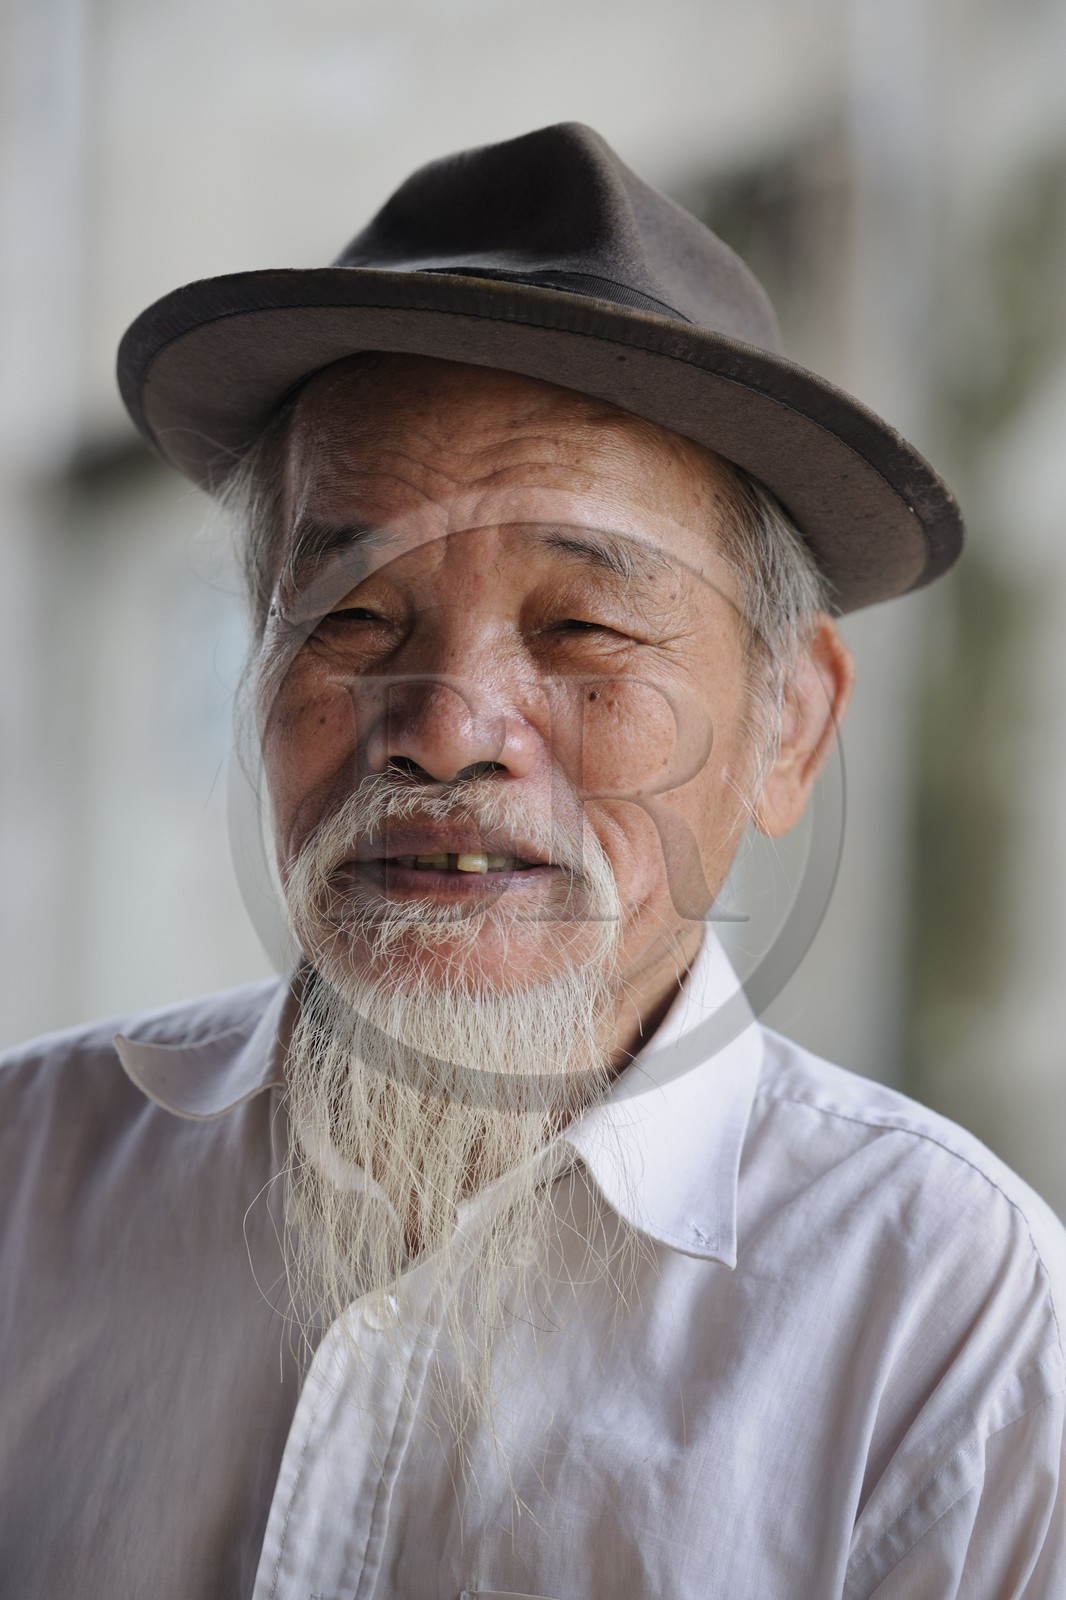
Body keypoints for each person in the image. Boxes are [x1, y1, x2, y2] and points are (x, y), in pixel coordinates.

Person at [0, 122, 1062, 1599]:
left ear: (787, 728)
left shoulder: (946, 1315)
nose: (443, 731)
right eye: (353, 619)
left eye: (582, 631)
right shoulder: (24, 1177)